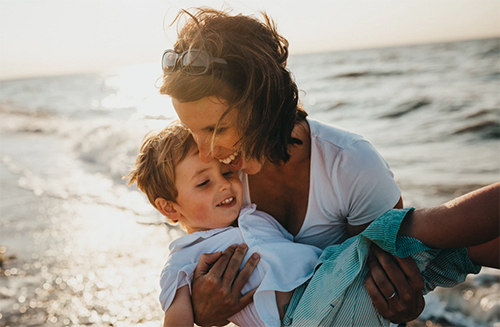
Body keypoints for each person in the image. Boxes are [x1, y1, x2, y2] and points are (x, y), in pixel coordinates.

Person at [159, 7, 422, 326]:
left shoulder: (350, 165)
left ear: (263, 104)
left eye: (217, 130)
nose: (204, 152)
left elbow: (389, 284)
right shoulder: (219, 178)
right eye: (193, 131)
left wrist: (406, 306)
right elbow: (217, 275)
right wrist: (205, 313)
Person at [125, 121, 500, 327]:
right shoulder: (184, 259)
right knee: (416, 230)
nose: (225, 183)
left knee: (452, 251)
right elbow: (176, 322)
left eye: (226, 171)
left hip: (340, 295)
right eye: (204, 183)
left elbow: (312, 254)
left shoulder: (252, 215)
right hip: (307, 314)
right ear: (170, 208)